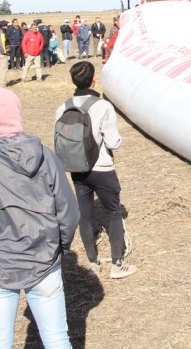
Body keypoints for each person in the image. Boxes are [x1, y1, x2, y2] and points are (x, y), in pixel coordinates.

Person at [0, 87, 79, 349]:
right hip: (43, 258)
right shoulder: (45, 155)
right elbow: (68, 211)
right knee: (57, 339)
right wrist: (60, 246)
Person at [54, 61, 136, 279]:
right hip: (102, 168)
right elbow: (113, 142)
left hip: (77, 169)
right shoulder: (103, 106)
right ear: (93, 80)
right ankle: (117, 263)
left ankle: (92, 261)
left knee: (85, 215)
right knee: (113, 212)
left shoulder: (62, 107)